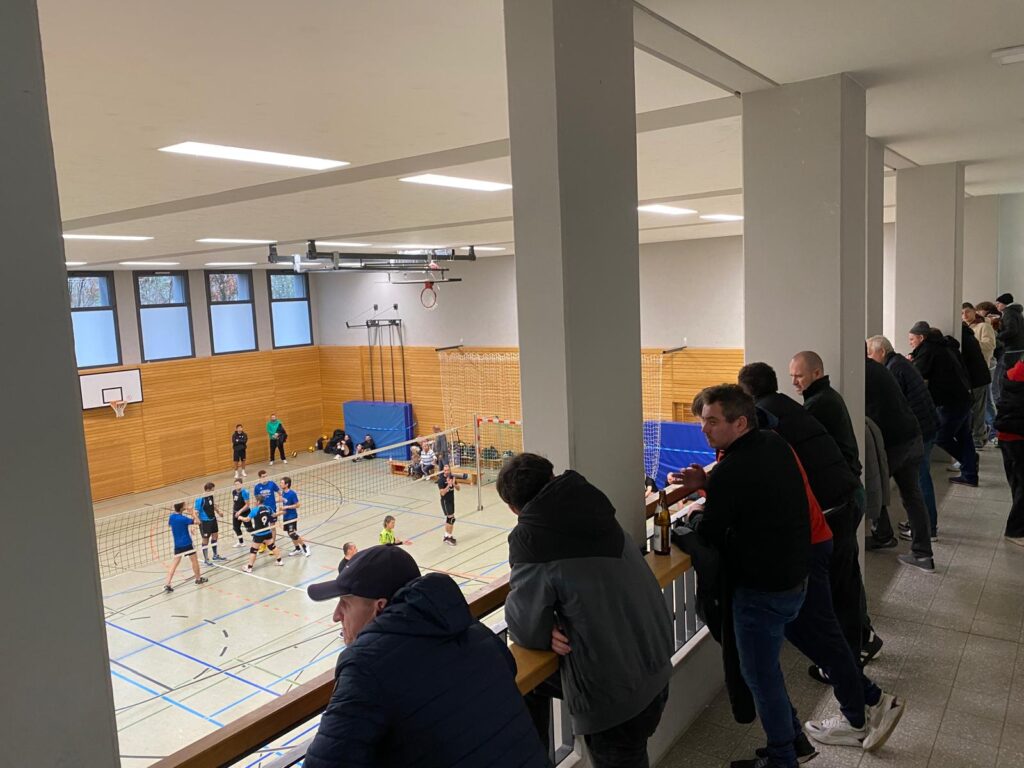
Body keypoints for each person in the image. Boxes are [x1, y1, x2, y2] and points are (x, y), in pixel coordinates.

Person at [499, 452, 672, 768]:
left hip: (615, 693)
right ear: (552, 477)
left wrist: (542, 626)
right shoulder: (591, 502)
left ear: (513, 509)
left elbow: (525, 624)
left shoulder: (531, 538)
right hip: (654, 662)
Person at [303, 546, 547, 768]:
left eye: (345, 604)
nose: (336, 615)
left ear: (379, 607)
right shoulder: (475, 631)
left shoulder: (365, 668)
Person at [669, 385, 808, 768]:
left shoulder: (732, 468)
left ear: (740, 422)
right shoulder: (772, 444)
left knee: (760, 676)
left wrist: (696, 513)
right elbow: (754, 498)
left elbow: (712, 531)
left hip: (761, 589)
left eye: (713, 422)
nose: (704, 430)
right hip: (793, 576)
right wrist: (709, 485)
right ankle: (794, 740)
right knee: (767, 670)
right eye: (703, 422)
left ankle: (783, 758)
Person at [737, 362, 880, 668]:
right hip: (847, 495)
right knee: (847, 579)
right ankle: (862, 641)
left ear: (745, 394)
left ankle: (848, 660)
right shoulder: (792, 406)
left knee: (834, 590)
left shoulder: (765, 421)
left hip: (832, 508)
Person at [864, 357, 935, 572]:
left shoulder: (860, 374)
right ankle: (923, 553)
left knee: (872, 485)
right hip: (912, 435)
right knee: (912, 495)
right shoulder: (879, 368)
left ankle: (883, 535)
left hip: (895, 443)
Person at [908, 322, 978, 487]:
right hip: (963, 396)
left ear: (921, 338)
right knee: (964, 436)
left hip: (951, 401)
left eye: (912, 339)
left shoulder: (929, 350)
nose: (910, 343)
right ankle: (970, 474)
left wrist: (910, 362)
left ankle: (969, 463)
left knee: (942, 437)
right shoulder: (946, 346)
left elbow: (918, 373)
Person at [995, 361, 1024, 546]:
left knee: (1018, 482)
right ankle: (1016, 531)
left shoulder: (1015, 371)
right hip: (1017, 437)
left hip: (1009, 435)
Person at [964, 304, 997, 447]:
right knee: (982, 404)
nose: (965, 315)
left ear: (974, 312)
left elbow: (990, 345)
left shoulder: (983, 326)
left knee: (986, 403)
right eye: (962, 313)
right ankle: (984, 432)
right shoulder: (965, 328)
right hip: (972, 372)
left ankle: (993, 432)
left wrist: (973, 344)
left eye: (967, 312)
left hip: (983, 368)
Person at [959, 317, 993, 450]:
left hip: (976, 378)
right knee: (979, 408)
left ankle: (978, 437)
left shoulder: (963, 339)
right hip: (979, 377)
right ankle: (980, 435)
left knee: (978, 409)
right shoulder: (968, 336)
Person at [164, 502, 208, 592]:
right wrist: (192, 513)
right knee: (194, 561)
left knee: (174, 564)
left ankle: (167, 584)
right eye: (184, 505)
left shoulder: (172, 517)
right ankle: (198, 579)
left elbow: (169, 525)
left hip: (177, 545)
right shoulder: (183, 519)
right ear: (181, 508)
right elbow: (198, 522)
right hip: (187, 544)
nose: (186, 506)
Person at [243, 504, 283, 571]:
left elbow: (247, 519)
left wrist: (240, 518)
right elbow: (274, 515)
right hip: (267, 532)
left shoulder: (255, 510)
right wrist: (281, 512)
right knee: (272, 546)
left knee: (253, 550)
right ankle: (280, 561)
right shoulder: (268, 508)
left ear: (257, 502)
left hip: (259, 534)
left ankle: (249, 568)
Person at [194, 481, 226, 565]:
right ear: (208, 490)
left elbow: (213, 505)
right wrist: (196, 521)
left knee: (215, 536)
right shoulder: (200, 499)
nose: (213, 491)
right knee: (205, 540)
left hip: (213, 519)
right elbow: (196, 512)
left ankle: (215, 555)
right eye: (212, 490)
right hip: (205, 522)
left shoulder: (210, 496)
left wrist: (218, 512)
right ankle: (206, 559)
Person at [279, 476, 310, 557]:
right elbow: (283, 501)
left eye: (282, 483)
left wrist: (286, 507)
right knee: (290, 533)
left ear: (287, 484)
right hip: (286, 516)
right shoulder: (283, 492)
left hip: (292, 516)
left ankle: (305, 547)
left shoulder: (292, 493)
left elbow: (298, 505)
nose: (280, 484)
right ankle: (297, 549)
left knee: (292, 533)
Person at [438, 464, 459, 546]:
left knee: (449, 519)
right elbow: (442, 493)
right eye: (445, 470)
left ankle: (447, 536)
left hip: (451, 500)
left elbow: (458, 488)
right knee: (451, 519)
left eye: (447, 470)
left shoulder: (452, 477)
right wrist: (448, 485)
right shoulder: (441, 480)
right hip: (445, 501)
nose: (446, 472)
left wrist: (453, 484)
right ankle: (448, 537)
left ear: (450, 470)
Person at [230, 477, 251, 547]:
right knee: (236, 528)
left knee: (249, 529)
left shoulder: (244, 492)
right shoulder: (234, 492)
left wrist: (239, 511)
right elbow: (235, 502)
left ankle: (259, 541)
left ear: (241, 484)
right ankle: (241, 542)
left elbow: (247, 505)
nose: (237, 486)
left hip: (245, 513)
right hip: (236, 513)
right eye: (235, 484)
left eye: (238, 484)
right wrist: (235, 510)